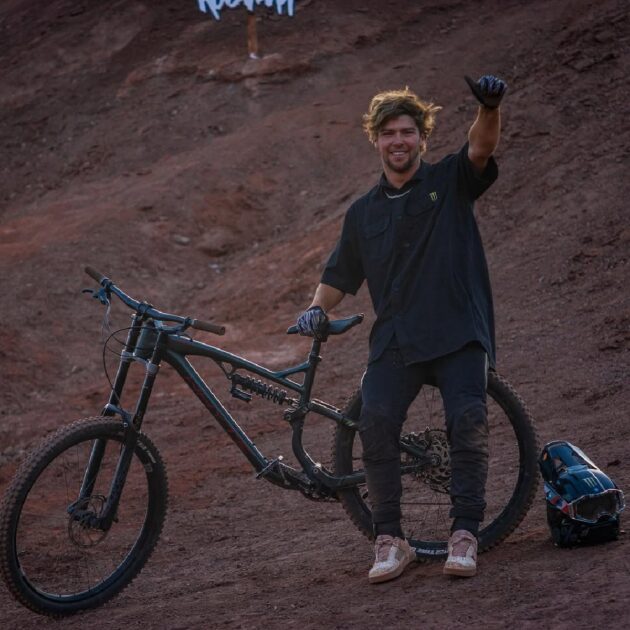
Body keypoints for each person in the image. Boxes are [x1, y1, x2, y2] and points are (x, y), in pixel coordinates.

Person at [296, 75, 507, 583]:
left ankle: (465, 533)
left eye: (407, 131)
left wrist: (489, 108)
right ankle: (390, 540)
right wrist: (315, 309)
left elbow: (480, 148)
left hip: (457, 329)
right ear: (375, 139)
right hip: (395, 338)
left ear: (422, 138)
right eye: (388, 132)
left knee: (467, 419)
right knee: (375, 421)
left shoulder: (449, 181)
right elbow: (340, 276)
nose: (398, 141)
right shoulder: (362, 213)